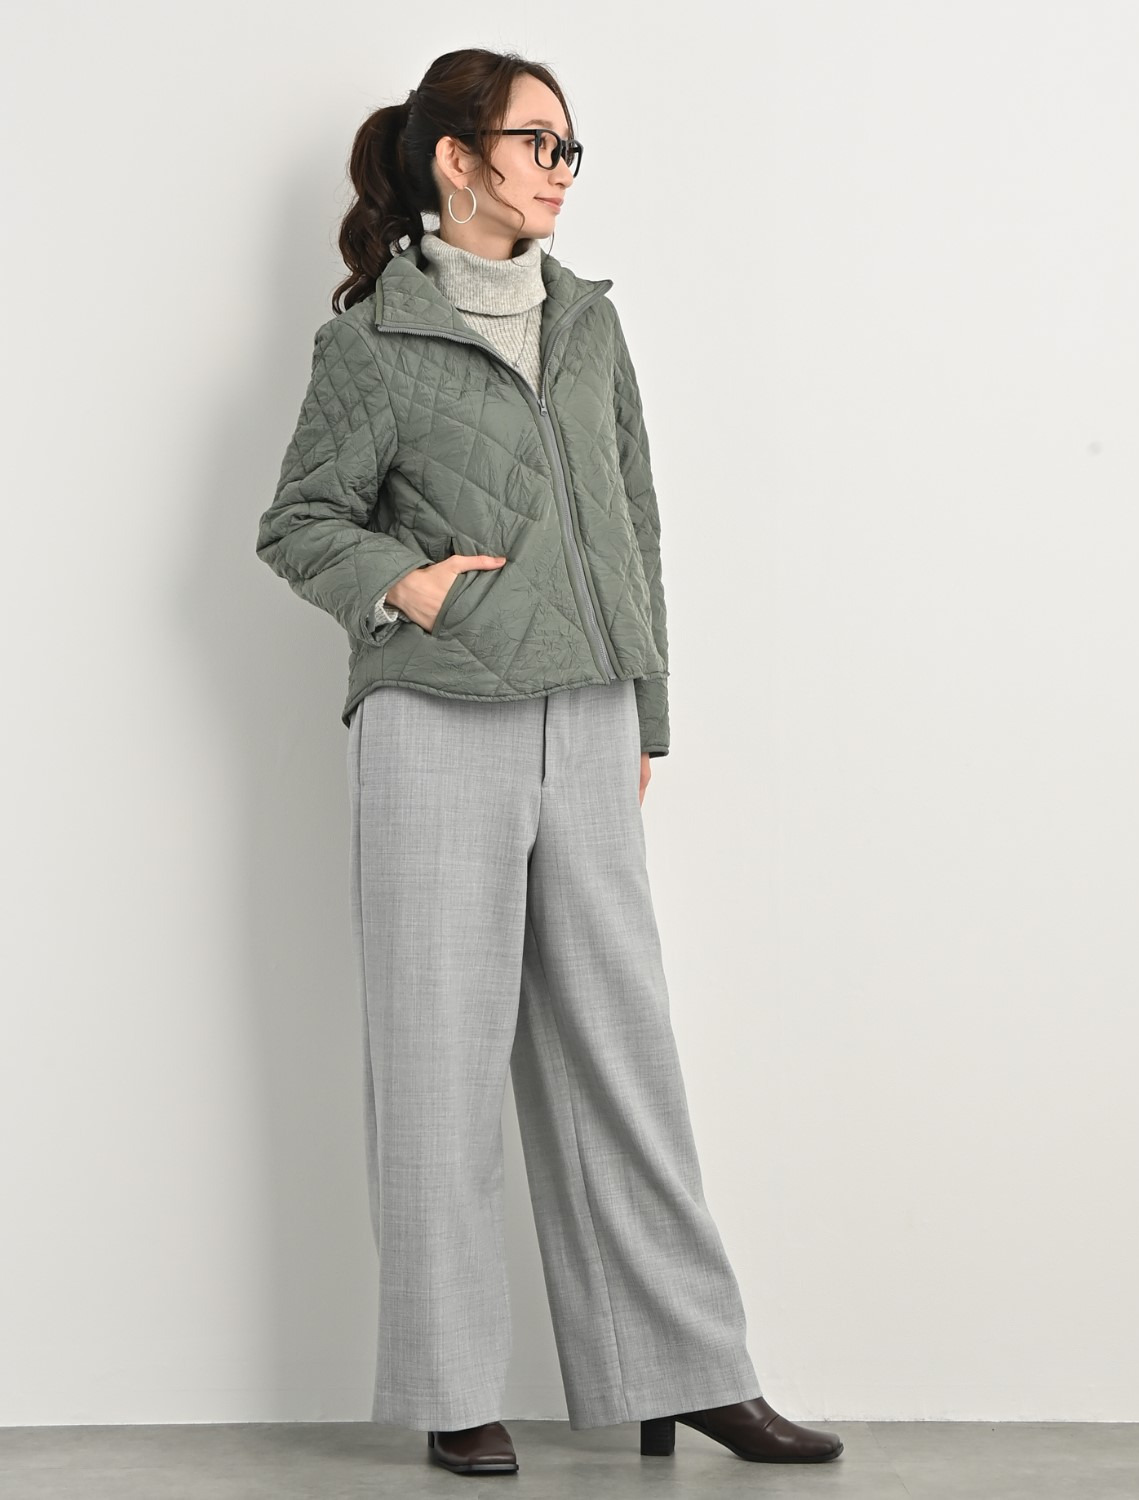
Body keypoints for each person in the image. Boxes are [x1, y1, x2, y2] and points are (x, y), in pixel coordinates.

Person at [255, 46, 843, 1478]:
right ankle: (454, 1387)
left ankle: (682, 1372)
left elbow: (635, 522)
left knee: (620, 1056)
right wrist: (409, 587)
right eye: (539, 143)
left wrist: (646, 713)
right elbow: (301, 524)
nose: (562, 171)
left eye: (571, 148)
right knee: (438, 1058)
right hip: (435, 714)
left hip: (585, 714)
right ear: (457, 159)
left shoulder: (588, 324)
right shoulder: (372, 342)